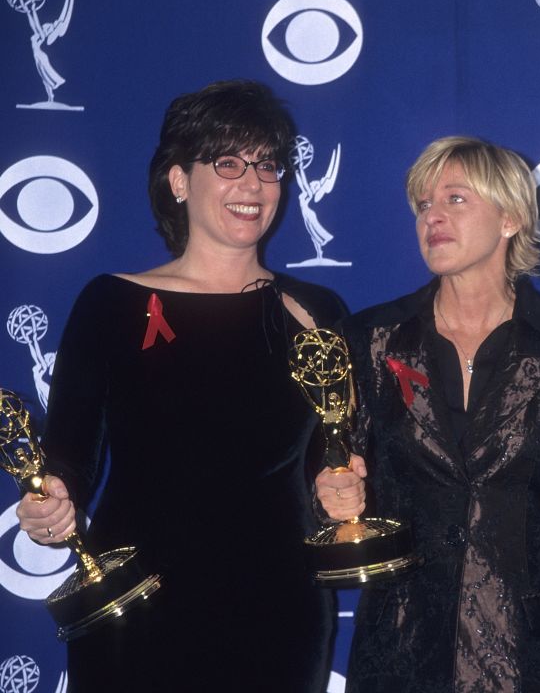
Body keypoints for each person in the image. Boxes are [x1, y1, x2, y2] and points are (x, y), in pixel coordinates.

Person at [15, 80, 346, 692]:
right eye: (228, 163)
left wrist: (350, 491)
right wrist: (48, 505)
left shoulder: (316, 311)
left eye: (268, 165)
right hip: (137, 606)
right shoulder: (111, 302)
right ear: (177, 180)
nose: (253, 184)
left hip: (279, 611)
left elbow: (340, 458)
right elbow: (68, 460)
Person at [318, 136, 540, 692]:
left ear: (510, 217)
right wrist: (330, 494)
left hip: (530, 660)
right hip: (401, 657)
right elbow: (330, 484)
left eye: (455, 199)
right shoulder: (370, 339)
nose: (432, 216)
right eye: (423, 204)